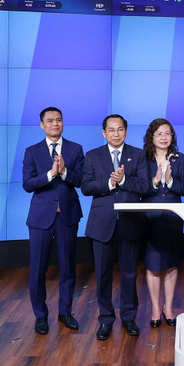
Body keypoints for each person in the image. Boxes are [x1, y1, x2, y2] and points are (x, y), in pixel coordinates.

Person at [82, 114, 149, 340]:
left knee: (129, 273)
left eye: (120, 129)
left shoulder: (138, 155)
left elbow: (143, 186)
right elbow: (86, 186)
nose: (116, 134)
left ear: (126, 131)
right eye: (111, 130)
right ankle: (105, 319)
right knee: (102, 274)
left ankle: (129, 317)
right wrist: (110, 183)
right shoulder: (92, 156)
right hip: (102, 225)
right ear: (104, 133)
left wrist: (122, 181)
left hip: (130, 223)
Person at [22, 107, 84, 335]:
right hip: (40, 219)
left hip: (67, 216)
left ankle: (65, 312)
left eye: (58, 120)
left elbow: (81, 181)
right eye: (50, 121)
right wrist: (50, 174)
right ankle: (40, 315)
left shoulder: (75, 149)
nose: (55, 124)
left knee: (68, 267)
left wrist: (65, 171)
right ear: (42, 125)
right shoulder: (32, 151)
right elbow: (27, 184)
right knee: (38, 269)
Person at [142, 118, 184, 328]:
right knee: (153, 265)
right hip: (150, 217)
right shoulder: (143, 158)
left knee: (170, 263)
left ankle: (168, 308)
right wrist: (155, 180)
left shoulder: (180, 158)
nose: (164, 137)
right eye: (159, 133)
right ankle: (154, 308)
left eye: (167, 133)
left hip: (172, 217)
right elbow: (140, 187)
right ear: (152, 137)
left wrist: (169, 181)